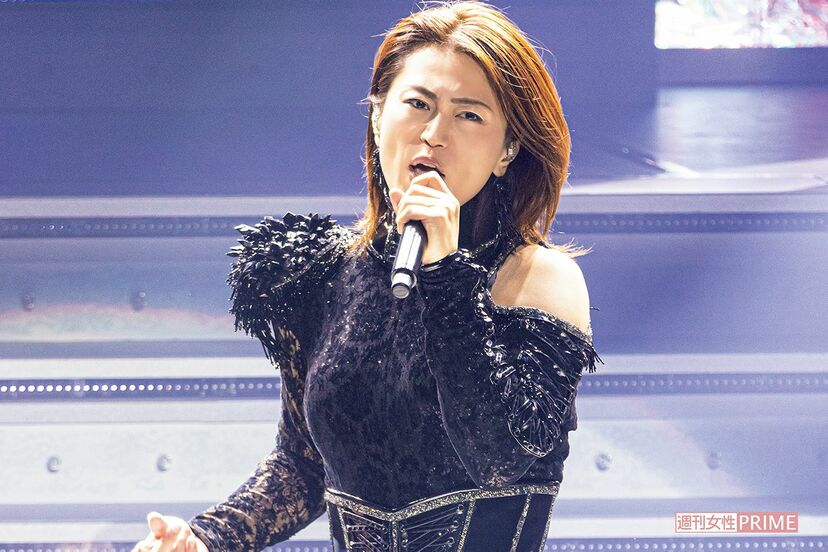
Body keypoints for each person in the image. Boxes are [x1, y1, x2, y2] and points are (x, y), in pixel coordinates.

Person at [131, 1, 603, 551]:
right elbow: (305, 464)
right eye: (418, 104)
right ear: (378, 117)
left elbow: (500, 457)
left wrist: (447, 274)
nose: (434, 133)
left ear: (507, 151)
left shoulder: (539, 280)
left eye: (469, 115)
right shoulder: (321, 275)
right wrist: (206, 538)